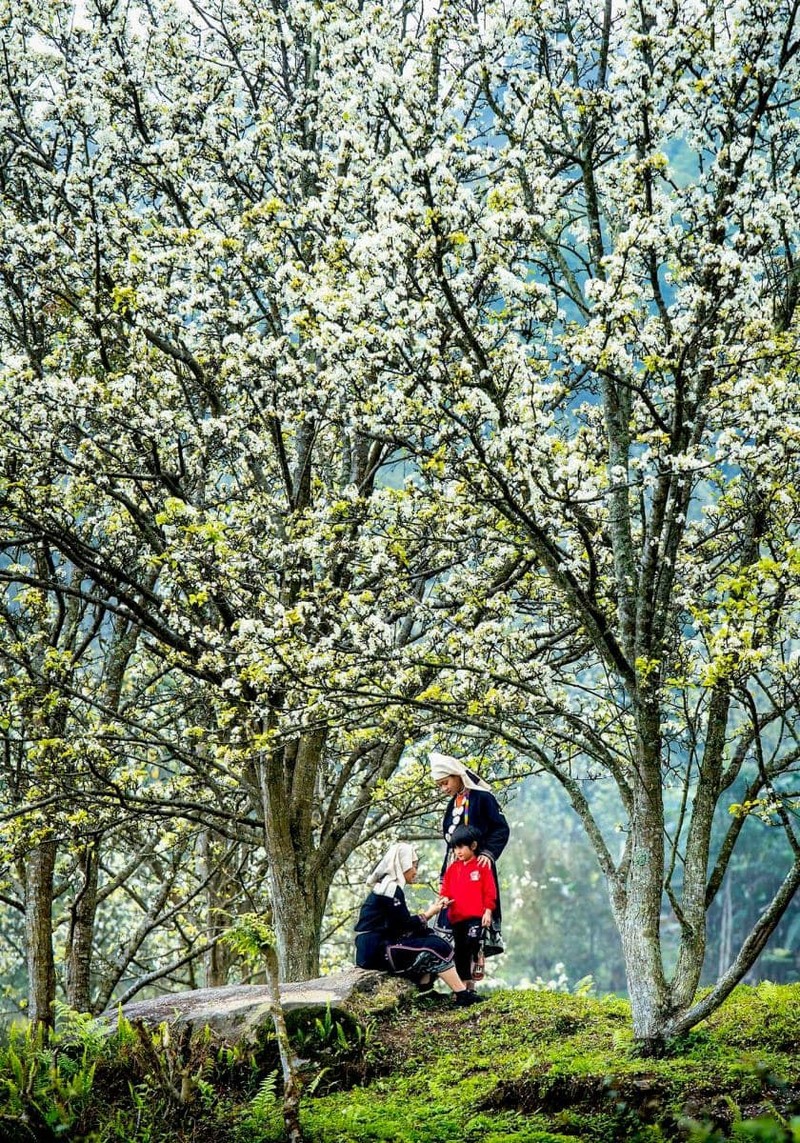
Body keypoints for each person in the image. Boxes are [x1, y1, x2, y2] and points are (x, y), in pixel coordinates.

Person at [354, 841, 483, 1005]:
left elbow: (398, 924)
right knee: (435, 945)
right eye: (413, 866)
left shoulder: (388, 886)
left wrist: (428, 917)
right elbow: (403, 925)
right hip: (376, 950)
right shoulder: (390, 889)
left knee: (427, 935)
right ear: (403, 865)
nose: (416, 871)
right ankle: (462, 994)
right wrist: (430, 912)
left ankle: (425, 989)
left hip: (376, 946)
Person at [430, 751, 510, 933]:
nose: (443, 789)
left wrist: (488, 853)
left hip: (477, 869)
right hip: (455, 871)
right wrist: (444, 878)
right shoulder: (452, 805)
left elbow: (501, 828)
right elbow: (450, 846)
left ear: (458, 776)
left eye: (445, 783)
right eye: (440, 785)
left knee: (475, 926)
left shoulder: (482, 798)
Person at [440, 825, 497, 989]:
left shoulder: (482, 866)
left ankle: (471, 981)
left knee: (472, 944)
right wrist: (444, 899)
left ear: (473, 846)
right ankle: (463, 985)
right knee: (460, 950)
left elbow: (489, 891)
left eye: (461, 847)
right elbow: (445, 890)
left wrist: (488, 910)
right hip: (457, 917)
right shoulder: (452, 869)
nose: (458, 851)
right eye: (455, 848)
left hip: (475, 917)